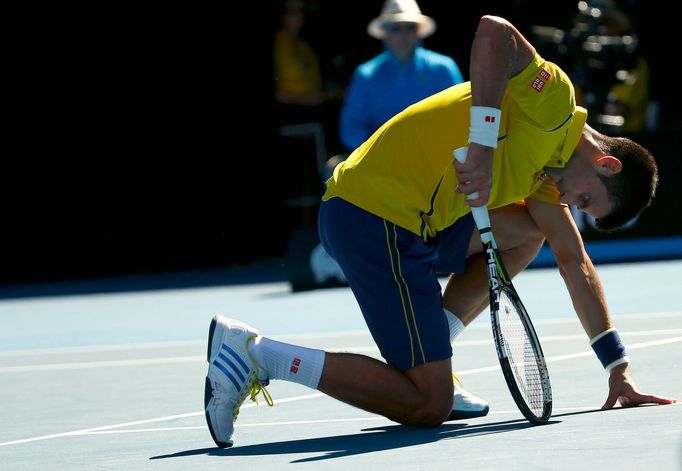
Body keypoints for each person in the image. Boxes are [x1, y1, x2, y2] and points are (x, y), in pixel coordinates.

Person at [204, 15, 677, 448]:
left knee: (530, 232)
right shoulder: (554, 102)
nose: (574, 205)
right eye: (587, 199)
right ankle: (257, 355)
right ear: (606, 163)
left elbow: (575, 261)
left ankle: (435, 345)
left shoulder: (549, 177)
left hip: (417, 227)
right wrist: (484, 144)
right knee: (428, 405)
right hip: (372, 214)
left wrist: (618, 369)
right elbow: (493, 31)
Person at [338, 0, 464, 154]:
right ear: (384, 33)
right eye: (396, 28)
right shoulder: (365, 74)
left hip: (435, 155)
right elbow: (350, 128)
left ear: (418, 32)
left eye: (410, 27)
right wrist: (380, 151)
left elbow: (458, 118)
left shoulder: (443, 68)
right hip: (380, 159)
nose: (403, 35)